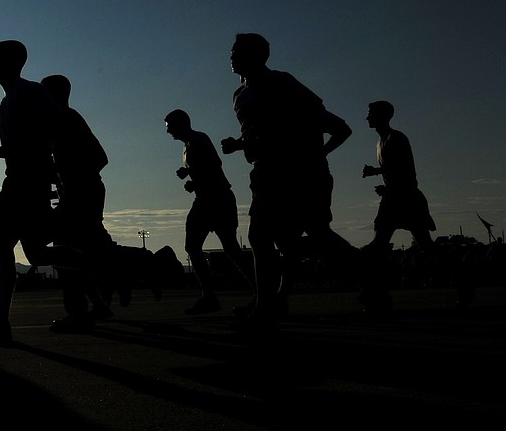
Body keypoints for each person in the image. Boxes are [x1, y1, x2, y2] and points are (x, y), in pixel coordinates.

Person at [220, 33, 361, 327]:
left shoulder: (281, 82)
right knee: (278, 238)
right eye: (231, 51)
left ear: (256, 56)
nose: (231, 56)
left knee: (305, 234)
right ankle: (269, 302)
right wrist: (243, 144)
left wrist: (315, 154)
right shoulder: (239, 94)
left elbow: (310, 122)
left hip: (294, 172)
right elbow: (260, 133)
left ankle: (366, 274)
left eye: (236, 51)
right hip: (265, 172)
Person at [0, 40, 89, 344]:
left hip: (26, 182)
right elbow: (23, 143)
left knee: (1, 246)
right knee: (37, 253)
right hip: (22, 179)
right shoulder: (8, 101)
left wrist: (48, 169)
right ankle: (105, 266)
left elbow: (54, 127)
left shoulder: (30, 92)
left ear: (11, 61)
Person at [41, 74, 117, 332]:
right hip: (79, 193)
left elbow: (100, 158)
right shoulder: (61, 121)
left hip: (82, 194)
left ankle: (78, 312)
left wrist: (72, 181)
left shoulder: (68, 119)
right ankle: (97, 304)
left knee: (66, 251)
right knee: (82, 251)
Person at [165, 109, 255, 315]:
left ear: (181, 124)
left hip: (218, 199)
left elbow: (214, 164)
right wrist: (194, 183)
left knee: (229, 248)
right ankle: (209, 296)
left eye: (170, 127)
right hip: (206, 199)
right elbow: (207, 170)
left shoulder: (198, 139)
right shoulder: (188, 146)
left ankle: (259, 293)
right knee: (195, 246)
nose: (168, 132)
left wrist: (190, 173)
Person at [362, 101, 435, 250]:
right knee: (381, 239)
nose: (367, 118)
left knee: (424, 242)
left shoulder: (396, 138)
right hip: (394, 197)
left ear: (382, 116)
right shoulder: (381, 141)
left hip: (406, 198)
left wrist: (376, 171)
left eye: (370, 114)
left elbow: (401, 167)